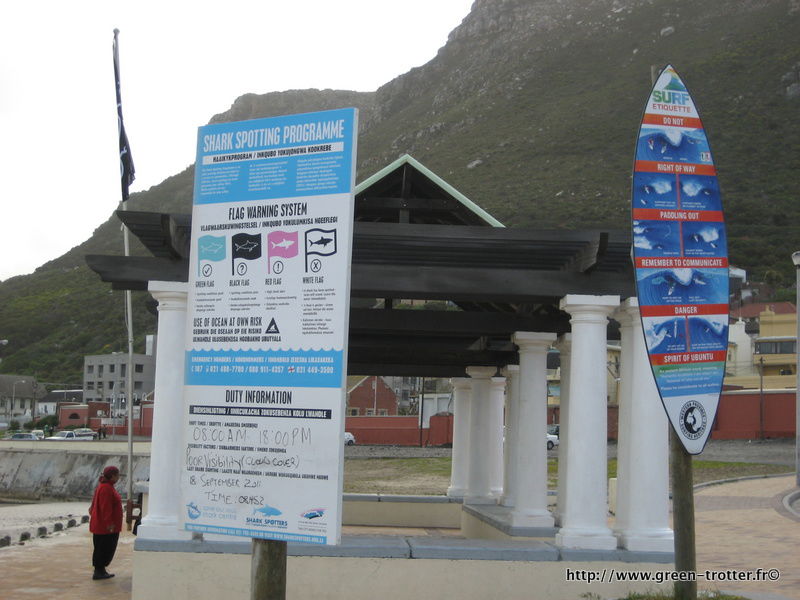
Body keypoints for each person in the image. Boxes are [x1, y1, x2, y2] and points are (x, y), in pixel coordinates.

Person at [89, 465, 123, 580]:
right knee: (104, 548)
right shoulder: (106, 488)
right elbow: (105, 508)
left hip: (102, 525)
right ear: (113, 476)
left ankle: (101, 570)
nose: (118, 477)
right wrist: (109, 524)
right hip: (105, 527)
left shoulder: (105, 487)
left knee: (103, 548)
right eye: (117, 475)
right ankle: (99, 571)